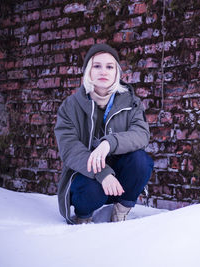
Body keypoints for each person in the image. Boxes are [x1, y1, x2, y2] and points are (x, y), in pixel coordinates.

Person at [54, 43, 154, 225]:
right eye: (97, 66)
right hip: (87, 180)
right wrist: (103, 174)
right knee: (92, 189)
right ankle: (83, 217)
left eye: (110, 67)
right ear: (88, 72)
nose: (103, 72)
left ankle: (120, 211)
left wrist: (109, 143)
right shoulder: (70, 106)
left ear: (117, 72)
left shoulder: (131, 102)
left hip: (120, 182)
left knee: (141, 161)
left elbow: (141, 134)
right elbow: (69, 149)